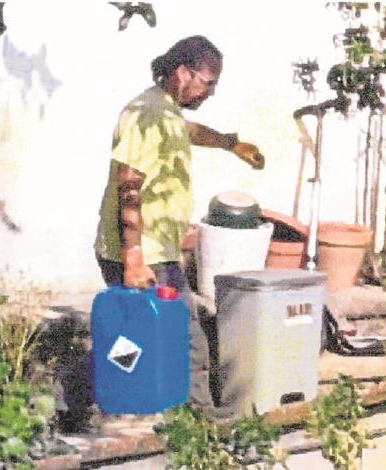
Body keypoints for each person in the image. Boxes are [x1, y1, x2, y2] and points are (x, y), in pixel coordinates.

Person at [94, 35, 264, 417]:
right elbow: (129, 184)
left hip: (154, 251)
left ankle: (142, 406)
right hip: (144, 254)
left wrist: (230, 144)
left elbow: (188, 131)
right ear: (183, 73)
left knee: (138, 338)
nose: (212, 91)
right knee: (186, 342)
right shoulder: (147, 114)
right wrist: (134, 258)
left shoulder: (165, 110)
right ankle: (199, 420)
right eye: (208, 82)